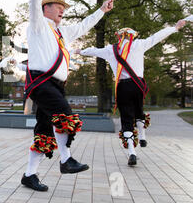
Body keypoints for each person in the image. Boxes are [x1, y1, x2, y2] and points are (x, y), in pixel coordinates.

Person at [21, 0, 114, 192]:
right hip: (41, 83)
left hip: (55, 85)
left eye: (64, 8)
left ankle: (29, 175)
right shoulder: (38, 24)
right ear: (46, 8)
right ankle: (66, 159)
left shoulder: (62, 32)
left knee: (44, 132)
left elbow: (84, 25)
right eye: (58, 6)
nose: (62, 11)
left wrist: (101, 10)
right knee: (64, 114)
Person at [75, 20, 187, 166]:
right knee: (139, 111)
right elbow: (157, 37)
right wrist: (174, 27)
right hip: (138, 85)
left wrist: (80, 51)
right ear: (132, 36)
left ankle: (132, 152)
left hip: (122, 87)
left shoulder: (111, 50)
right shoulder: (139, 45)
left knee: (126, 118)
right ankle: (142, 136)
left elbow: (94, 51)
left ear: (119, 37)